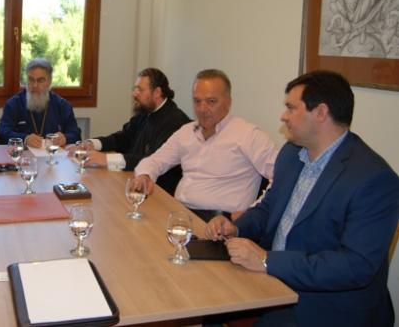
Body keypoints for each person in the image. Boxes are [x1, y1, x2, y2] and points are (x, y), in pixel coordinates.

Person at [206, 70, 399, 326]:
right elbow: (269, 208)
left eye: (291, 108)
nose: (283, 116)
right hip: (274, 278)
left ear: (320, 113)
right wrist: (236, 227)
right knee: (204, 296)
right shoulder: (292, 153)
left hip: (327, 304)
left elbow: (355, 266)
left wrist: (267, 260)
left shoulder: (373, 179)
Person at [134, 69, 277, 221]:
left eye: (211, 101)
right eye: (197, 101)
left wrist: (254, 213)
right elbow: (155, 160)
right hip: (180, 214)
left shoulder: (248, 135)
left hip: (219, 223)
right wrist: (145, 175)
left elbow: (281, 176)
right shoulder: (186, 132)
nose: (202, 109)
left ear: (228, 102)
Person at [72, 68, 191, 195]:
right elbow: (123, 138)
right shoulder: (145, 112)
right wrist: (92, 143)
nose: (134, 94)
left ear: (157, 92)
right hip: (133, 181)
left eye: (140, 89)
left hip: (157, 191)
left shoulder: (175, 121)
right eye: (135, 89)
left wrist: (107, 159)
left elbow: (152, 159)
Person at [0, 58, 81, 147]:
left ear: (49, 81)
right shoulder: (14, 104)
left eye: (40, 80)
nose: (35, 85)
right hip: (22, 154)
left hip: (52, 154)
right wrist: (25, 139)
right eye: (31, 80)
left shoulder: (62, 105)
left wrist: (65, 138)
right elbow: (2, 132)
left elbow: (76, 134)